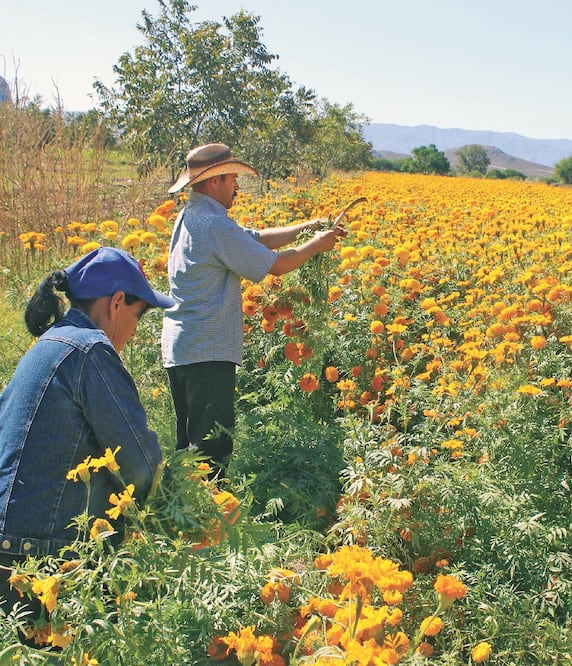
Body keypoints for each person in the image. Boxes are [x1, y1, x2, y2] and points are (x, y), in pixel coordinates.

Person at [0, 246, 174, 638]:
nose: (133, 331)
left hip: (13, 545)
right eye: (138, 316)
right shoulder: (90, 350)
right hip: (44, 556)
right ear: (116, 303)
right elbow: (142, 466)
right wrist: (169, 519)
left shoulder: (49, 344)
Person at [161, 143, 346, 473]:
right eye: (232, 178)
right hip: (206, 350)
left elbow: (256, 239)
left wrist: (308, 227)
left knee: (189, 448)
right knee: (210, 451)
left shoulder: (196, 215)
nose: (237, 185)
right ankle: (210, 516)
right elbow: (274, 265)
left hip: (186, 345)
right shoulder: (214, 226)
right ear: (214, 181)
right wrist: (318, 245)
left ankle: (184, 512)